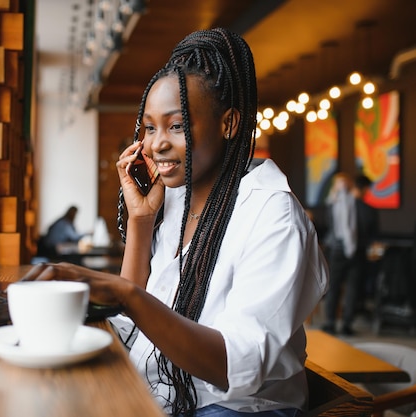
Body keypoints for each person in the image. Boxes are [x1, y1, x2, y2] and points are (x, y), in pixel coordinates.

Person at [24, 28, 328, 416]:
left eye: (177, 125)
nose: (156, 144)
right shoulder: (178, 199)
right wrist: (141, 220)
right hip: (170, 393)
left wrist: (126, 295)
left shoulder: (273, 215)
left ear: (229, 124)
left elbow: (235, 367)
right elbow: (130, 324)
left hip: (237, 407)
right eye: (150, 127)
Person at [322, 173, 378, 335]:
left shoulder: (334, 205)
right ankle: (346, 324)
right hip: (358, 252)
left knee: (334, 287)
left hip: (337, 251)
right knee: (353, 289)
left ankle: (330, 323)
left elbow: (329, 227)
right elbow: (373, 234)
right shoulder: (368, 210)